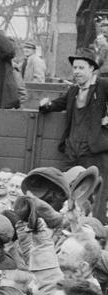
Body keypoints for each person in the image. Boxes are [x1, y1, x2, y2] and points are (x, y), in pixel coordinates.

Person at [40, 49, 108, 220]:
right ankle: (65, 224)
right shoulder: (73, 91)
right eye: (75, 68)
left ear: (92, 69)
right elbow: (58, 103)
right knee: (66, 187)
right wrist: (46, 105)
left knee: (96, 192)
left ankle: (94, 228)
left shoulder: (103, 86)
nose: (76, 71)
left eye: (81, 68)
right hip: (72, 150)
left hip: (94, 150)